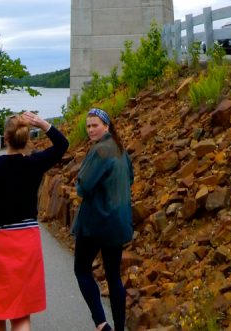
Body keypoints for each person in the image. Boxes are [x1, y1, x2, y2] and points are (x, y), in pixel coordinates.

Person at [0, 110, 69, 330]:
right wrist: (43, 124)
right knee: (21, 314)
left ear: (5, 138)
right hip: (25, 240)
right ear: (27, 138)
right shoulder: (34, 164)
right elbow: (62, 145)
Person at [71, 108, 134, 331]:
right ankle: (119, 328)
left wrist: (82, 186)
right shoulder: (120, 149)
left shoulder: (99, 151)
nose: (90, 130)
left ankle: (101, 324)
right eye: (88, 126)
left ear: (106, 126)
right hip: (117, 223)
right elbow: (131, 178)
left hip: (95, 224)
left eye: (94, 125)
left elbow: (83, 186)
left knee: (81, 270)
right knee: (114, 276)